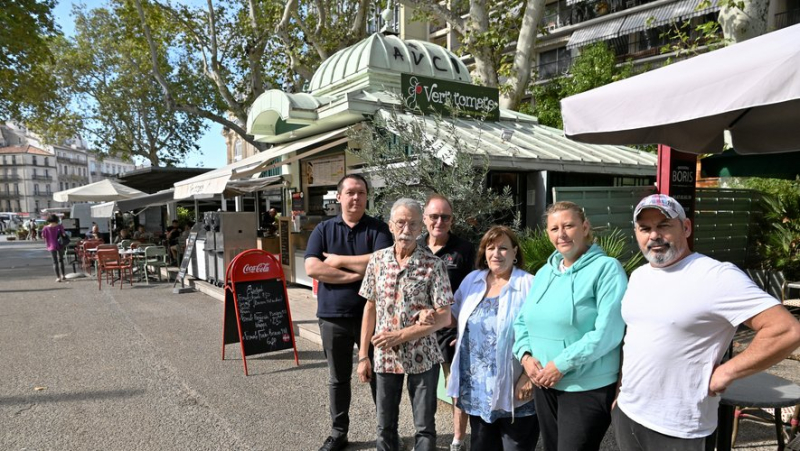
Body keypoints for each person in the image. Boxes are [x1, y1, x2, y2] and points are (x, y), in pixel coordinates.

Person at [613, 194, 800, 451]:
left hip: (678, 425)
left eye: (664, 225)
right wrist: (620, 392)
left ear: (686, 227)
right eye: (645, 228)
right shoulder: (639, 275)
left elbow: (786, 330)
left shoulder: (715, 276)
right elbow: (635, 339)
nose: (653, 235)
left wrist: (728, 371)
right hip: (628, 412)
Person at [513, 201, 628, 451]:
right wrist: (525, 356)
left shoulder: (607, 270)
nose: (561, 234)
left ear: (585, 227)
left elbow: (608, 332)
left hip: (585, 386)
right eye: (554, 229)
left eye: (568, 226)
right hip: (545, 382)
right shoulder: (544, 272)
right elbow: (522, 320)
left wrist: (561, 364)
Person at [305, 174, 393, 451]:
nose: (356, 198)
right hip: (333, 316)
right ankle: (338, 432)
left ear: (367, 197)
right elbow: (312, 268)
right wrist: (359, 276)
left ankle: (386, 433)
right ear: (339, 197)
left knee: (380, 376)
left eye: (361, 193)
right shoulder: (323, 230)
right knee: (338, 378)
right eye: (351, 193)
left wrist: (339, 261)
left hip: (376, 317)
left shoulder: (378, 230)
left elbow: (382, 263)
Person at [357, 198, 453, 451]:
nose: (406, 229)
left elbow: (444, 317)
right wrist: (363, 355)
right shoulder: (377, 261)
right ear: (390, 225)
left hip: (423, 356)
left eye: (412, 223)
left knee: (424, 426)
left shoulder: (434, 264)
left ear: (421, 227)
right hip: (384, 357)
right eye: (400, 222)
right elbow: (370, 307)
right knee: (385, 424)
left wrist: (400, 335)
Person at [448, 226, 539, 450]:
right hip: (477, 389)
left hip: (515, 386)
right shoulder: (472, 280)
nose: (496, 253)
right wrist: (428, 314)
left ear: (515, 252)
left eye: (503, 248)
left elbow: (543, 332)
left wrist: (529, 376)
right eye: (491, 248)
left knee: (516, 446)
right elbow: (453, 315)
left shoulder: (529, 284)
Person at [417, 194, 475, 451]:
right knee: (422, 388)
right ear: (424, 219)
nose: (439, 221)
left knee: (456, 388)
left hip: (451, 331)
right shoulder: (416, 247)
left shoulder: (465, 249)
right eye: (434, 216)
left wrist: (463, 328)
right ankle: (425, 438)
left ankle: (458, 440)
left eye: (445, 217)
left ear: (452, 220)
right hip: (420, 331)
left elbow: (476, 291)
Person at [40, 214, 67, 282]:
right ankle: (63, 275)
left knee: (55, 262)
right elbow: (63, 234)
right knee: (61, 260)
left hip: (51, 245)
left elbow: (43, 236)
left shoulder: (45, 228)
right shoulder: (59, 226)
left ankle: (58, 277)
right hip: (60, 244)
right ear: (56, 219)